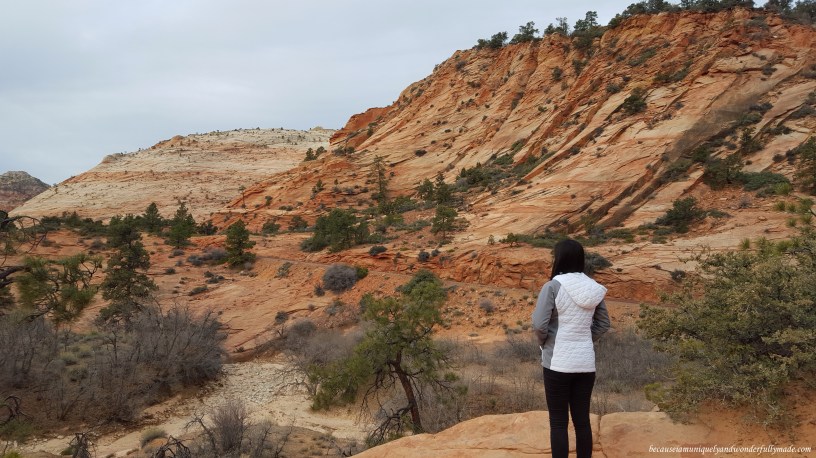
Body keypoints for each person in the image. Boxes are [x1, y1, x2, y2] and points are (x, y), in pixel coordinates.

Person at [531, 239, 610, 458]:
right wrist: (584, 340)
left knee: (558, 422)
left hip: (557, 363)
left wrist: (544, 343)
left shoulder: (553, 286)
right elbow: (603, 324)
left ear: (559, 259)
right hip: (585, 363)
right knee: (582, 420)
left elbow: (539, 324)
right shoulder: (593, 288)